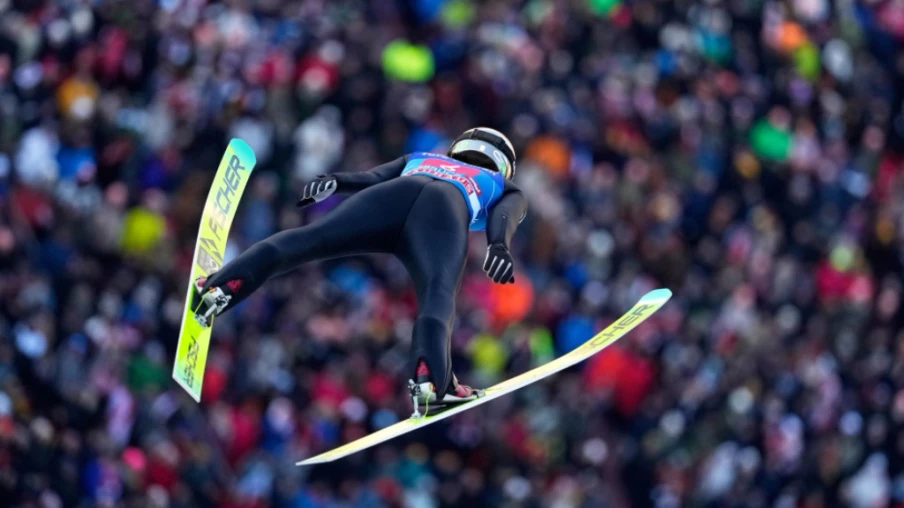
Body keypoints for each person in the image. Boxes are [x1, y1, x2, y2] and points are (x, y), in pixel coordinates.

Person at [192, 127, 528, 416]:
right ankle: (429, 384)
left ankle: (221, 287)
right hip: (444, 211)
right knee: (437, 298)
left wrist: (335, 182)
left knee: (306, 240)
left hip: (391, 197)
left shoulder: (424, 156)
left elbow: (371, 178)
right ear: (504, 164)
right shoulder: (499, 183)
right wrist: (498, 245)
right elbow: (505, 216)